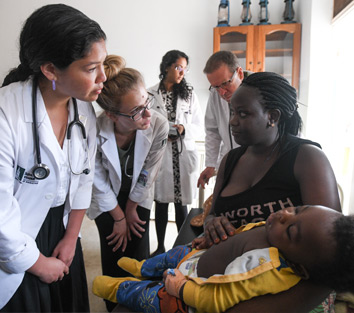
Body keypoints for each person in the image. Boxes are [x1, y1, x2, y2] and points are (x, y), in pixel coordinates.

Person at [195, 72, 342, 312]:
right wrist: (212, 222)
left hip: (289, 292)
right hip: (228, 283)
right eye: (232, 112)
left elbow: (332, 252)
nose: (232, 121)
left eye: (243, 114)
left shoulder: (307, 159)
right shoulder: (230, 160)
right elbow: (214, 213)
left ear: (272, 117)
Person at [0, 4, 106, 312]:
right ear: (50, 70)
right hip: (15, 237)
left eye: (103, 64)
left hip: (63, 231)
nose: (103, 77)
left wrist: (72, 236)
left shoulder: (83, 109)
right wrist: (36, 263)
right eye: (90, 68)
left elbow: (84, 177)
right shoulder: (7, 113)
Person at [92, 205, 354, 313]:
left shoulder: (264, 269)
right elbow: (241, 234)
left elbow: (217, 298)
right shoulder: (278, 237)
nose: (284, 214)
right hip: (195, 258)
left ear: (299, 267)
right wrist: (210, 239)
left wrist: (181, 288)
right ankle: (141, 266)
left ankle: (117, 288)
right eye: (298, 209)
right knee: (170, 255)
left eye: (291, 229)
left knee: (147, 296)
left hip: (189, 291)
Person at [87, 54, 169, 311]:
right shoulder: (95, 129)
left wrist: (131, 208)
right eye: (136, 111)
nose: (147, 113)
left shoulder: (158, 125)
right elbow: (97, 178)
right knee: (113, 252)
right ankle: (113, 306)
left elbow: (148, 170)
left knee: (138, 254)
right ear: (112, 115)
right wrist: (118, 216)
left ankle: (141, 304)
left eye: (147, 102)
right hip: (106, 199)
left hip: (138, 195)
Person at [148, 50, 203, 256]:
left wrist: (182, 128)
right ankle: (160, 247)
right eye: (178, 67)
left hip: (182, 155)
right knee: (160, 203)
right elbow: (145, 124)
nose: (182, 72)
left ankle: (181, 248)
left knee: (182, 206)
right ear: (166, 67)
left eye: (184, 68)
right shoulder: (150, 94)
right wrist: (160, 133)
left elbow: (199, 125)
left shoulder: (189, 95)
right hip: (161, 154)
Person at [197, 51, 247, 189]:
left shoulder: (260, 91)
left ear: (240, 74)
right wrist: (211, 164)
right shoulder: (216, 94)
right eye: (215, 87)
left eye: (226, 84)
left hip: (258, 167)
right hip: (230, 163)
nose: (222, 92)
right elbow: (213, 130)